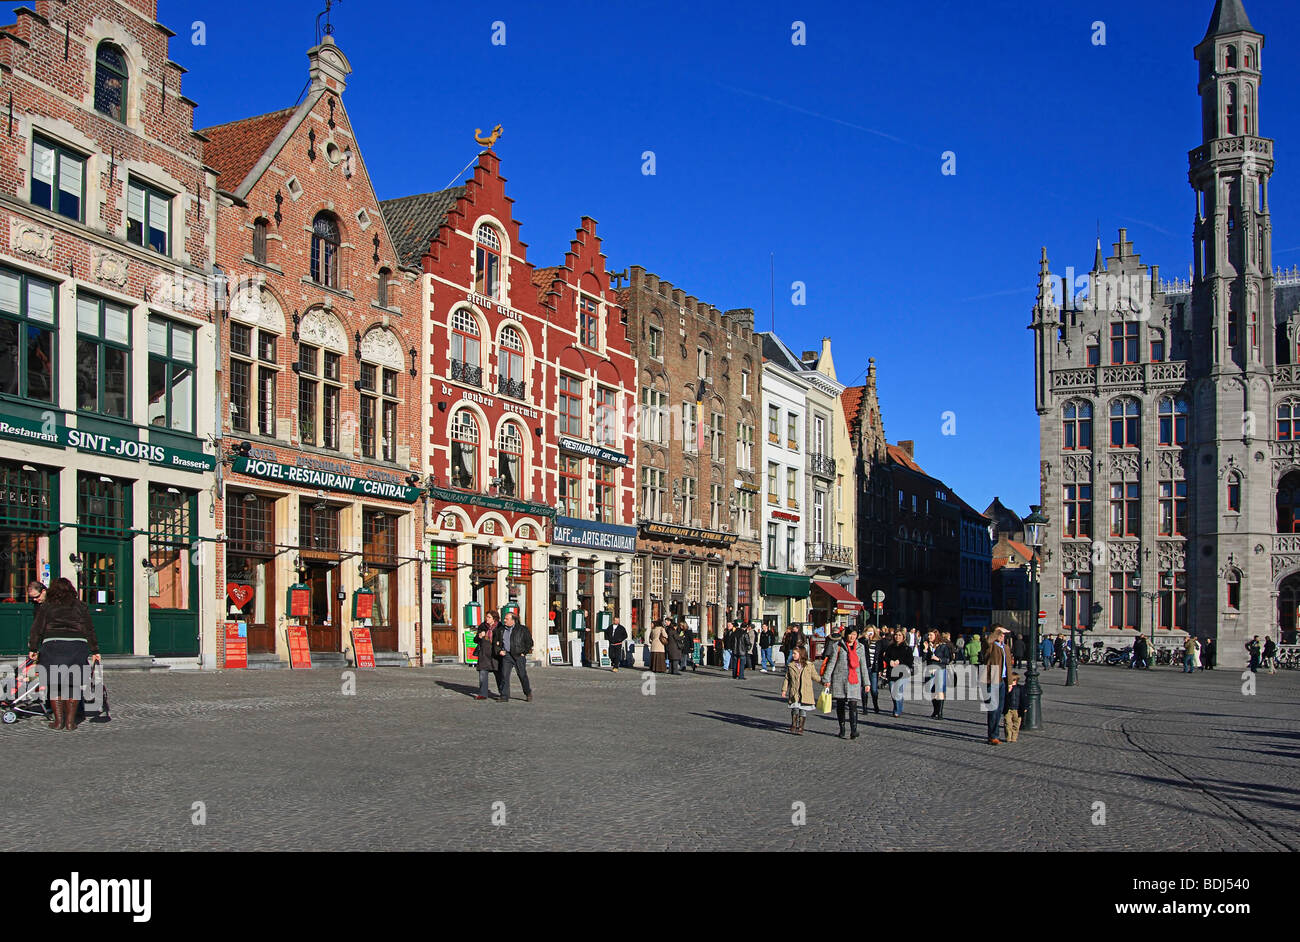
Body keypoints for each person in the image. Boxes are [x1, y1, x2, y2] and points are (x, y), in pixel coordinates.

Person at [28, 577, 99, 731]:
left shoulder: (47, 606)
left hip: (52, 646)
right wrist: (95, 651)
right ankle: (70, 722)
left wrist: (33, 649)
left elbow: (37, 629)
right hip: (76, 646)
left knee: (55, 685)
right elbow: (89, 629)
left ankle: (58, 722)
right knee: (73, 685)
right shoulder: (80, 606)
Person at [821, 626, 870, 739]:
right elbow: (831, 663)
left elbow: (863, 666)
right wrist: (826, 679)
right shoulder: (837, 646)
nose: (852, 637)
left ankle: (854, 730)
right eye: (850, 634)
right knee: (841, 704)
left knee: (853, 705)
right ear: (846, 634)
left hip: (854, 680)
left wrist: (866, 683)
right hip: (840, 679)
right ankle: (842, 729)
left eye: (854, 634)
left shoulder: (860, 647)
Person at [980, 626, 1011, 745]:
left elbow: (1008, 666)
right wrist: (997, 630)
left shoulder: (1005, 647)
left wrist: (1009, 682)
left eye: (1004, 634)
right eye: (1000, 634)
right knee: (993, 709)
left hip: (1002, 680)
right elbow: (988, 641)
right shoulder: (991, 646)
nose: (1003, 636)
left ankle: (994, 733)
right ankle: (993, 735)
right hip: (991, 679)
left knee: (999, 709)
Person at [494, 610, 534, 702]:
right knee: (504, 675)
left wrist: (524, 652)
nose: (504, 620)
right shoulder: (501, 630)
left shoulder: (522, 629)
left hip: (518, 655)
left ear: (513, 620)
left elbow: (529, 642)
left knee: (522, 675)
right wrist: (499, 650)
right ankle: (504, 696)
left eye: (507, 619)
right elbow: (495, 643)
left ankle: (528, 692)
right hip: (507, 655)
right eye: (504, 619)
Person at [782, 644, 817, 735]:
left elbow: (814, 676)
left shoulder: (809, 665)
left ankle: (801, 727)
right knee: (795, 708)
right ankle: (794, 724)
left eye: (795, 653)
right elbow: (787, 679)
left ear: (801, 654)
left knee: (803, 709)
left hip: (805, 691)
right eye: (793, 653)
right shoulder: (791, 666)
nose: (793, 655)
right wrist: (784, 690)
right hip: (795, 691)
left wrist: (824, 682)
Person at [883, 629, 914, 717]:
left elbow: (910, 661)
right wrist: (890, 662)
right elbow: (886, 657)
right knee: (893, 692)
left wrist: (899, 661)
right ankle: (897, 706)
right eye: (896, 635)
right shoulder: (890, 647)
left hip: (902, 673)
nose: (897, 637)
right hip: (891, 673)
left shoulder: (907, 648)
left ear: (903, 637)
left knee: (898, 692)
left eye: (900, 635)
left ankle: (897, 710)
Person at [473, 610, 502, 699]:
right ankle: (482, 694)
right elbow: (475, 640)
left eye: (489, 617)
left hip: (495, 655)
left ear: (494, 619)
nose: (487, 619)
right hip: (484, 654)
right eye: (486, 617)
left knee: (499, 675)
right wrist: (479, 636)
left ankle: (503, 693)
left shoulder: (500, 627)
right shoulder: (482, 626)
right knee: (482, 674)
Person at [926, 630, 953, 719]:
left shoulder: (943, 646)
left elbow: (948, 660)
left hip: (940, 669)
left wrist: (938, 659)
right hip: (930, 670)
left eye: (930, 635)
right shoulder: (928, 646)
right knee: (932, 691)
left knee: (939, 690)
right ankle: (935, 710)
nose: (928, 636)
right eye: (928, 635)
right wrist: (925, 650)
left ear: (936, 636)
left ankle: (940, 713)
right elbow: (924, 659)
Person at [1004, 671, 1025, 743]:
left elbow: (1023, 699)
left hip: (1017, 709)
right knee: (1008, 723)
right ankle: (1008, 737)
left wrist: (1025, 707)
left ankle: (1014, 738)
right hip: (1008, 709)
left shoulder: (1020, 688)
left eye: (1012, 680)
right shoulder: (1006, 688)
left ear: (1016, 681)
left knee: (1016, 724)